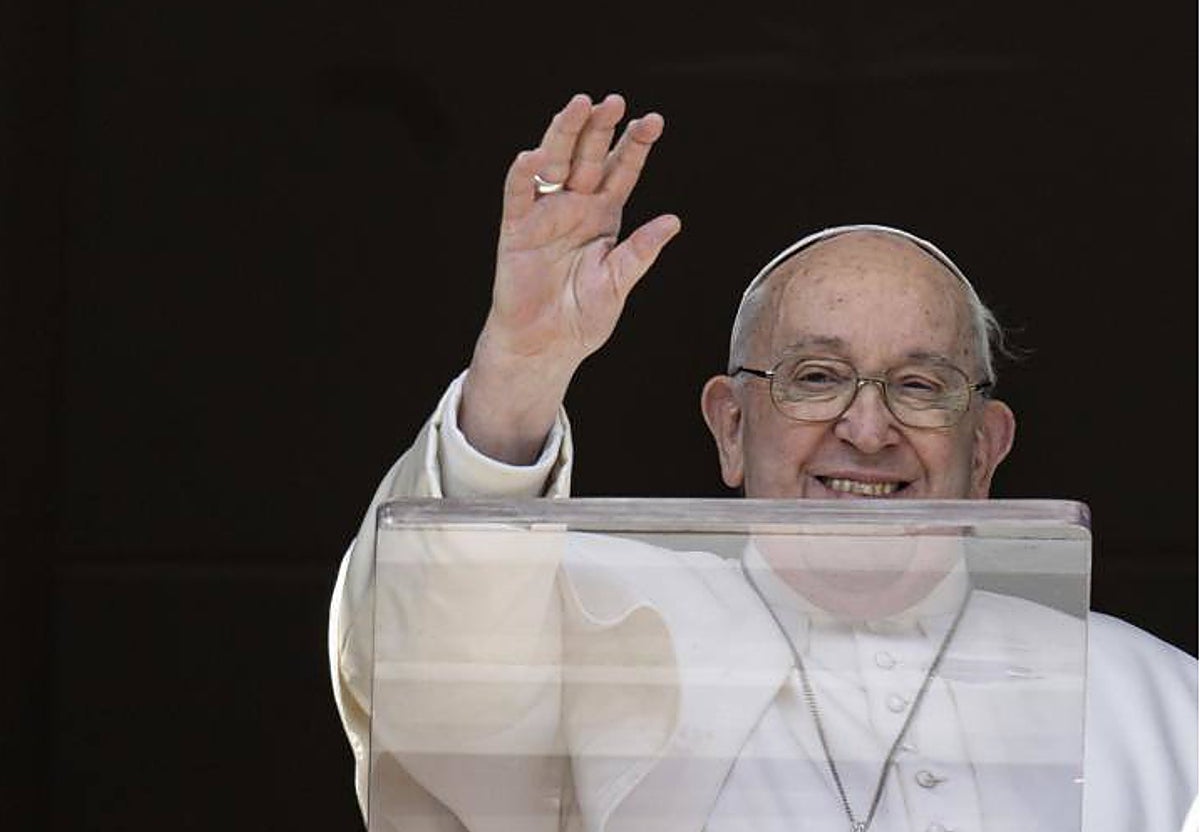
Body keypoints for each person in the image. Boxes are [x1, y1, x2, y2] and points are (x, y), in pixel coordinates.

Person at [329, 94, 1198, 831]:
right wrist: (520, 371)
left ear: (987, 447)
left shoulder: (1159, 704)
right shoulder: (594, 638)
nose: (867, 429)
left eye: (920, 385)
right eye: (814, 378)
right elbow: (431, 667)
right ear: (731, 428)